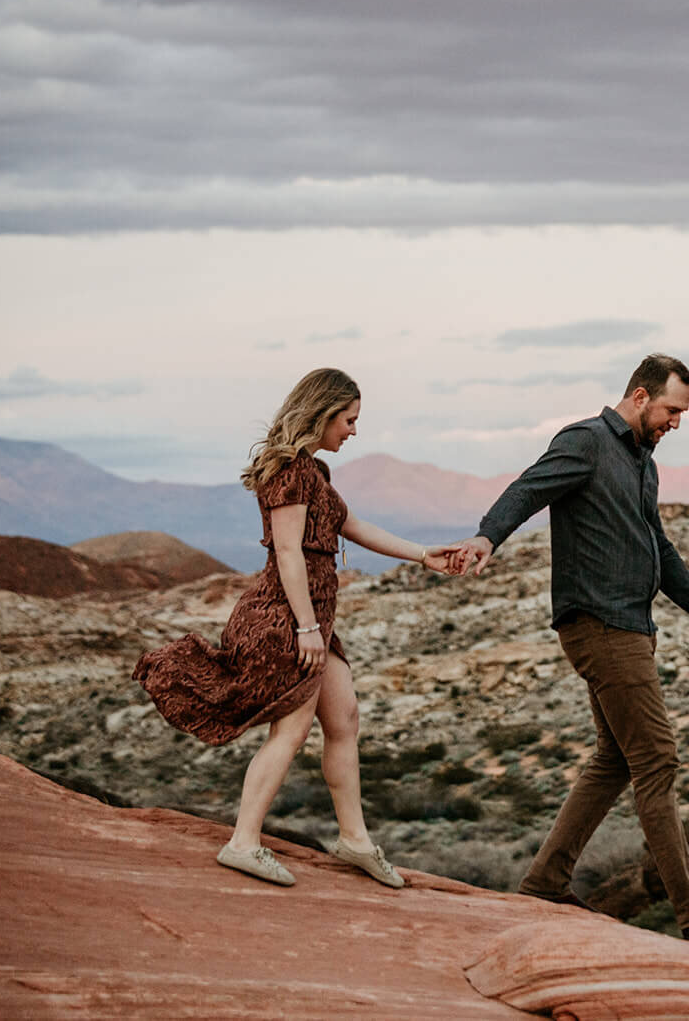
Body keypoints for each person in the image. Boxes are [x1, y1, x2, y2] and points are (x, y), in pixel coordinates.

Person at [451, 353, 689, 941]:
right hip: (600, 625)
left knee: (616, 760)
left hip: (631, 627)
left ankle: (547, 879)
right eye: (674, 410)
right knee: (657, 758)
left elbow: (660, 548)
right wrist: (486, 536)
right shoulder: (587, 442)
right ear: (642, 396)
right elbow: (528, 489)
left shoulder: (643, 464)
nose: (678, 421)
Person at [134, 368, 464, 889]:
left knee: (345, 718)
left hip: (311, 618)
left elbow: (353, 527)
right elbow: (288, 551)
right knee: (290, 728)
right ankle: (243, 843)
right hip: (286, 619)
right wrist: (306, 627)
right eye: (349, 420)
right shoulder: (290, 471)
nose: (353, 431)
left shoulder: (316, 473)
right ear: (323, 413)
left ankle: (354, 840)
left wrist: (426, 555)